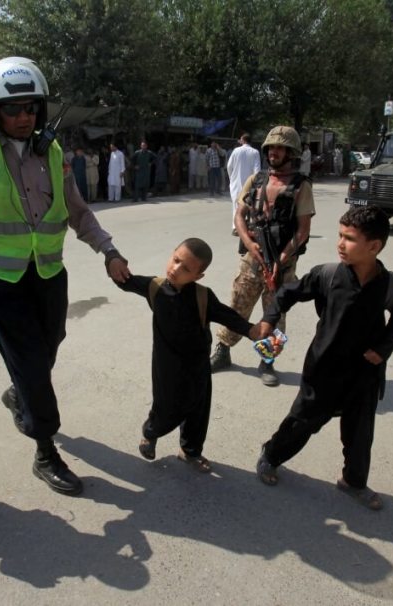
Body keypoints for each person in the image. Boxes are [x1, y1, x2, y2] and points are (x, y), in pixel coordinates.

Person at [0, 56, 131, 496]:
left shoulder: (54, 151)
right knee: (31, 366)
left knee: (47, 350)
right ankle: (45, 451)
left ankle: (19, 394)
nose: (24, 118)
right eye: (13, 109)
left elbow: (78, 211)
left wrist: (109, 250)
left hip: (47, 273)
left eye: (31, 108)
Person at [254, 206, 393, 511]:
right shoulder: (326, 275)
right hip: (323, 367)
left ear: (374, 246)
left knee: (360, 432)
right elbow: (288, 292)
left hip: (364, 373)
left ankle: (353, 481)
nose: (340, 243)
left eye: (349, 238)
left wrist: (382, 349)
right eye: (340, 235)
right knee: (302, 422)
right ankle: (271, 456)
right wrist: (270, 318)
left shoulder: (391, 286)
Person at [113, 238, 261, 473]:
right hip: (166, 365)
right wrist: (113, 262)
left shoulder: (202, 296)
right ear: (172, 254)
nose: (175, 269)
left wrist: (251, 330)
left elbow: (227, 316)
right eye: (176, 260)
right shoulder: (155, 287)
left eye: (186, 269)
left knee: (197, 410)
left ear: (198, 276)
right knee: (165, 406)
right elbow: (125, 281)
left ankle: (190, 451)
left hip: (197, 366)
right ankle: (150, 433)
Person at [210, 126, 315, 387]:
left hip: (283, 265)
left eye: (280, 148)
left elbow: (302, 231)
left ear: (291, 153)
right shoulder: (257, 179)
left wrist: (281, 258)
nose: (273, 153)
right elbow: (240, 213)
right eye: (270, 148)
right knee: (237, 305)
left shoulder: (301, 186)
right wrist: (248, 241)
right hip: (251, 260)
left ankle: (267, 361)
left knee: (275, 314)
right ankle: (223, 350)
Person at [227, 134, 261, 235]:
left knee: (236, 205)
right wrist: (256, 183)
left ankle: (236, 227)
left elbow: (229, 166)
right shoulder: (255, 152)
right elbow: (257, 170)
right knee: (250, 205)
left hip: (236, 182)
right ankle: (250, 226)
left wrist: (231, 178)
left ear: (243, 140)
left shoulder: (236, 151)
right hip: (249, 183)